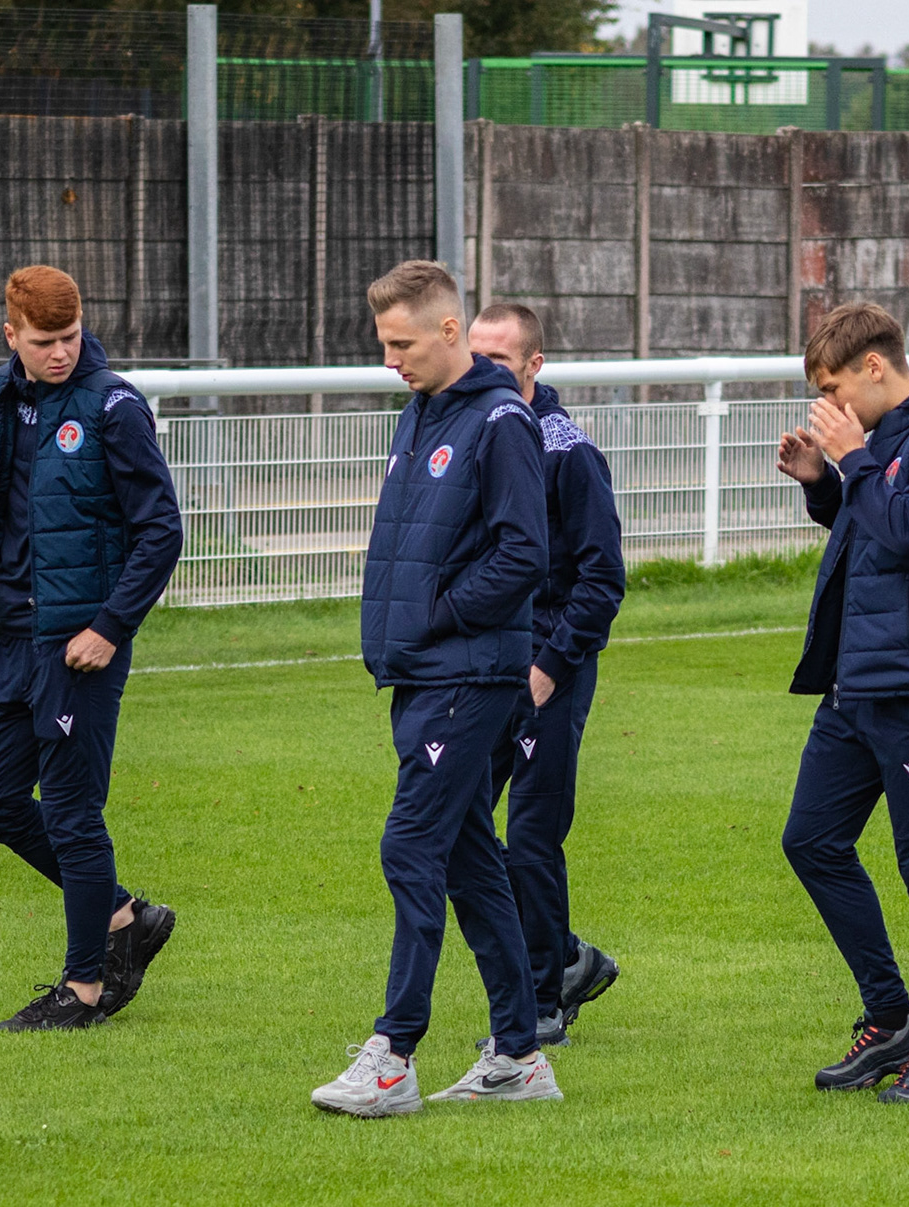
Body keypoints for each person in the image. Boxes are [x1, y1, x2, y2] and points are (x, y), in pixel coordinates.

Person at [311, 261, 561, 1117]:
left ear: (450, 331)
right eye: (384, 343)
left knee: (408, 845)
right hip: (424, 670)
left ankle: (394, 1053)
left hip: (470, 673)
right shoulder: (419, 412)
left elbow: (526, 553)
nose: (390, 359)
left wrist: (440, 613)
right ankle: (521, 1054)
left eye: (401, 343)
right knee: (467, 861)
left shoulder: (501, 421)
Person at [772, 303, 909, 1104]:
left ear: (876, 367)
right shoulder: (884, 442)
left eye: (835, 388)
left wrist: (854, 458)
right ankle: (890, 1016)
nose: (829, 407)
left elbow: (908, 529)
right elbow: (873, 526)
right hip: (857, 683)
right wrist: (824, 485)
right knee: (812, 841)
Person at [0, 265, 183, 1031]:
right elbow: (4, 509)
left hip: (79, 641)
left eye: (70, 336)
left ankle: (84, 988)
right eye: (44, 341)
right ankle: (124, 913)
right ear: (10, 335)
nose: (61, 352)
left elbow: (162, 529)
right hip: (12, 635)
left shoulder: (113, 405)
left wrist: (109, 626)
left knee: (70, 812)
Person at [467, 303, 626, 1049]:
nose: (484, 369)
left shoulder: (569, 453)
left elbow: (601, 580)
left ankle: (539, 1002)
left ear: (535, 365)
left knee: (531, 834)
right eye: (476, 355)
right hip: (482, 666)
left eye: (501, 358)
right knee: (452, 826)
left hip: (546, 671)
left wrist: (549, 667)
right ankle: (565, 957)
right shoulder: (475, 432)